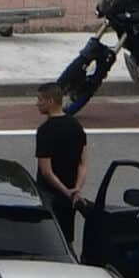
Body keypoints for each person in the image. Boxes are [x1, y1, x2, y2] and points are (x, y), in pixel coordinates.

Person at [34, 82, 87, 245]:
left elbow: (46, 171)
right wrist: (76, 190)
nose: (37, 103)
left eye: (40, 99)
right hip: (70, 197)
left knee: (49, 240)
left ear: (50, 101)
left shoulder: (45, 131)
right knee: (67, 241)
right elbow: (82, 163)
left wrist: (65, 191)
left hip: (49, 196)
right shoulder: (76, 126)